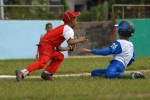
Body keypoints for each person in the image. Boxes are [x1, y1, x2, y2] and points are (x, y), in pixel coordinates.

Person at [15, 10, 87, 81]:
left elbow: (59, 48)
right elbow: (70, 42)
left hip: (48, 46)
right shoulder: (68, 29)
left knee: (59, 57)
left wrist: (69, 48)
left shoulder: (63, 28)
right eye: (75, 18)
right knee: (42, 63)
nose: (76, 21)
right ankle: (22, 72)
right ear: (71, 20)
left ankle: (47, 73)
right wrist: (79, 40)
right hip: (47, 45)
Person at [80, 20, 145, 79]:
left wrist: (91, 51)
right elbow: (131, 59)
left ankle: (132, 75)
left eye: (119, 29)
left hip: (116, 63)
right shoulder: (131, 45)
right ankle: (118, 75)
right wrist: (124, 64)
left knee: (109, 74)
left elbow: (107, 51)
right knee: (95, 73)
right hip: (122, 66)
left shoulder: (120, 42)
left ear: (121, 31)